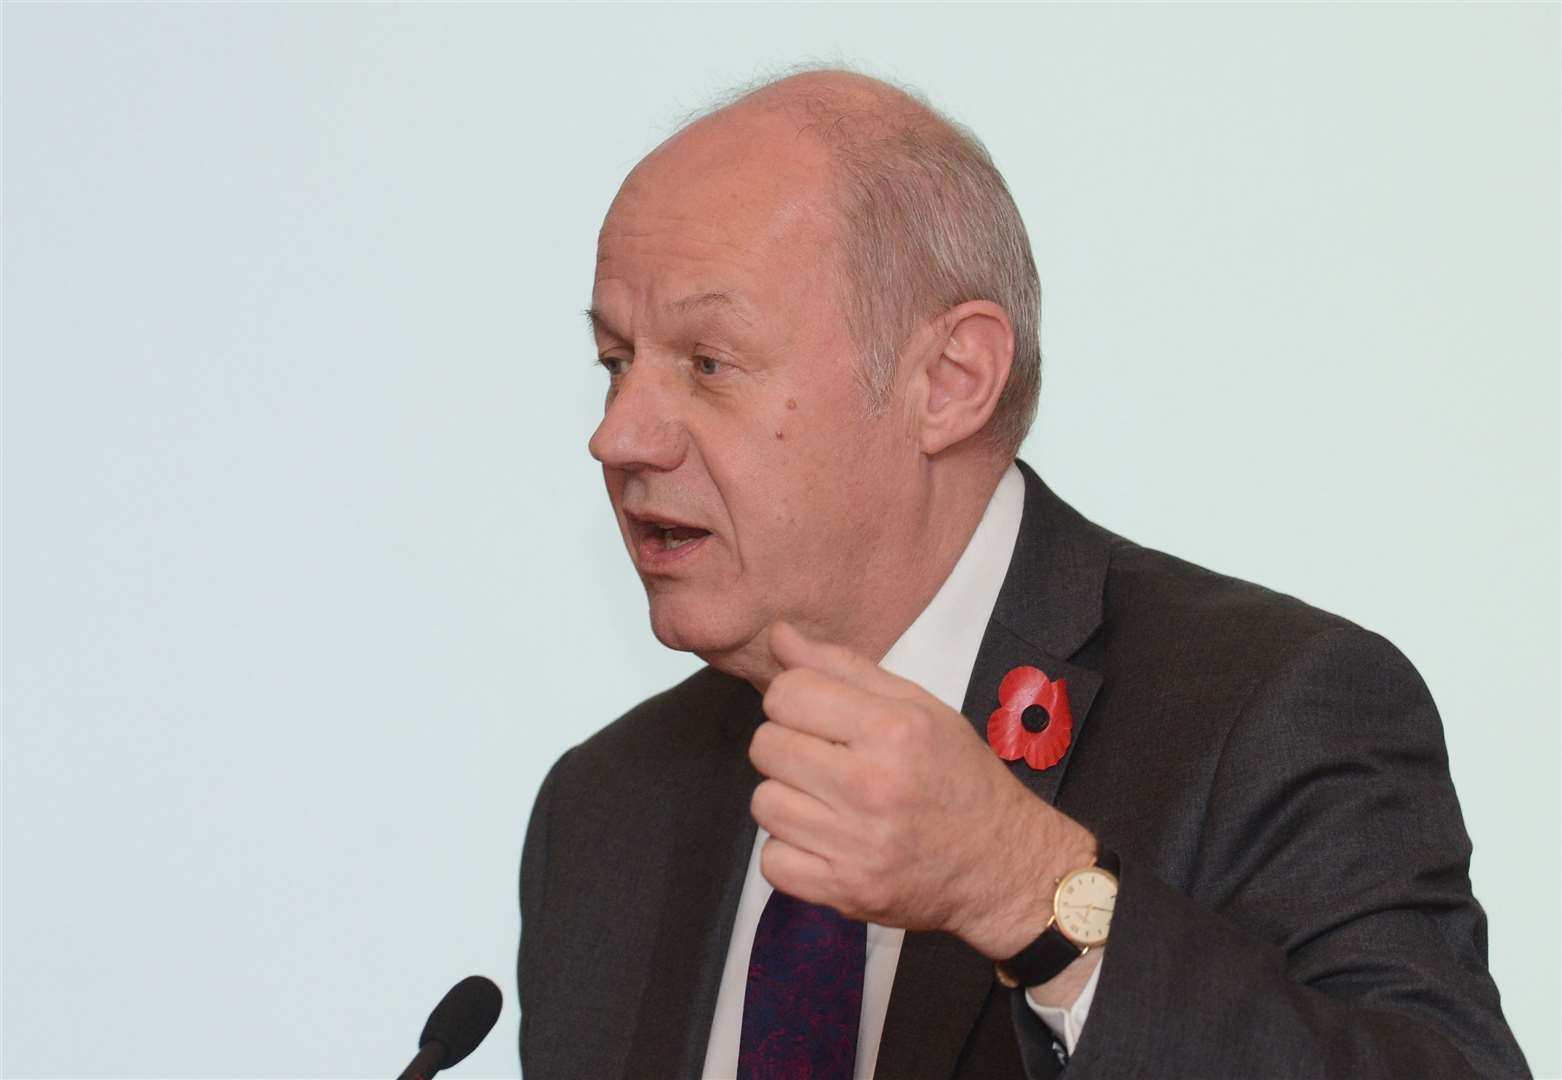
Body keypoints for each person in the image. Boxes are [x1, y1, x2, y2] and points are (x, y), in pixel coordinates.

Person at [518, 68, 1528, 1079]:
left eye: (706, 361)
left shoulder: (1271, 711)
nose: (618, 437)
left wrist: (1025, 890)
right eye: (615, 361)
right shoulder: (606, 805)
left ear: (949, 381)